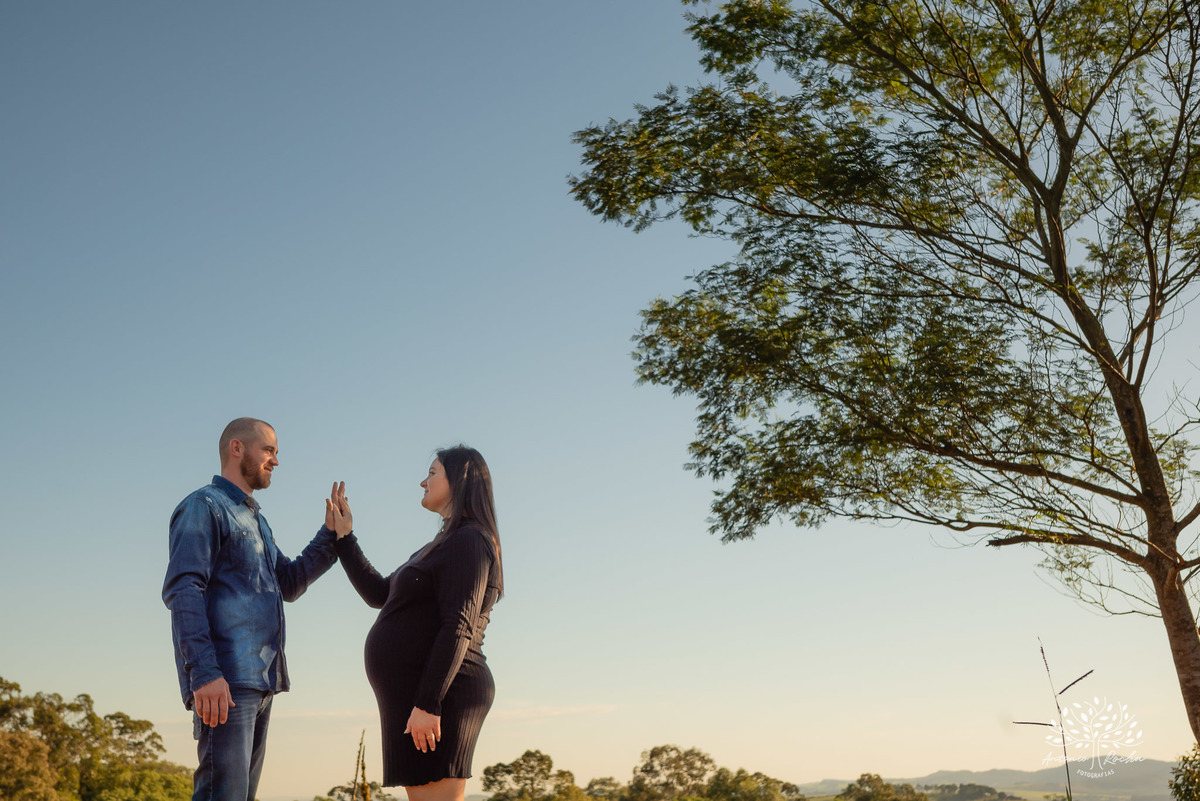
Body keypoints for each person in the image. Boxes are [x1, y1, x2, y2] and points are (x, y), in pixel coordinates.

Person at [162, 417, 342, 801]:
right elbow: (184, 590)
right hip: (224, 682)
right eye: (269, 450)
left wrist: (331, 537)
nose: (276, 460)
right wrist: (205, 673)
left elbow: (289, 582)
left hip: (261, 681)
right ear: (237, 448)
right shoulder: (202, 507)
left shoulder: (256, 519)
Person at [327, 445, 504, 801]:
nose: (423, 481)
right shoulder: (438, 546)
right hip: (417, 697)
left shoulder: (470, 541)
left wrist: (428, 704)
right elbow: (379, 593)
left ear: (459, 479)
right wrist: (345, 538)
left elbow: (459, 624)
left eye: (433, 473)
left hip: (441, 695)